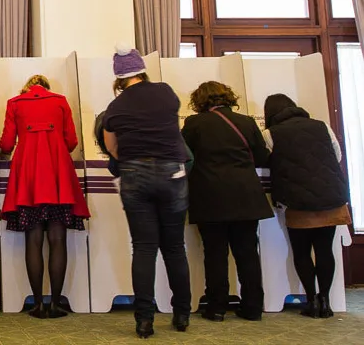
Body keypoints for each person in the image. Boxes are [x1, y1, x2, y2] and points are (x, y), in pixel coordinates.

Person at [102, 45, 190, 338]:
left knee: (143, 248)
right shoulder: (166, 92)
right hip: (172, 172)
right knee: (174, 247)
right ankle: (182, 314)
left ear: (118, 76)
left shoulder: (115, 108)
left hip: (134, 175)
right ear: (142, 69)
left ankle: (144, 321)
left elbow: (112, 148)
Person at [0, 75, 90, 319]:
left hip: (28, 174)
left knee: (33, 238)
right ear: (47, 88)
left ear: (27, 88)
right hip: (57, 173)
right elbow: (71, 141)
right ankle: (56, 304)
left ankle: (38, 303)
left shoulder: (15, 103)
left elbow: (6, 144)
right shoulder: (60, 101)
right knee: (58, 239)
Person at [182, 81, 272, 323]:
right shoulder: (247, 122)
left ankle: (216, 307)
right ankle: (253, 307)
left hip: (210, 195)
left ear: (199, 100)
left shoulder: (194, 124)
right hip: (246, 195)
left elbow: (183, 157)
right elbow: (261, 157)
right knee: (247, 253)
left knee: (215, 253)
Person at [263, 94, 350, 319]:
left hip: (297, 200)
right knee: (324, 250)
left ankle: (311, 299)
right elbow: (337, 155)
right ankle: (326, 300)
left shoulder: (271, 134)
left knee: (301, 251)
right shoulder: (322, 126)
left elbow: (267, 164)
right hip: (330, 197)